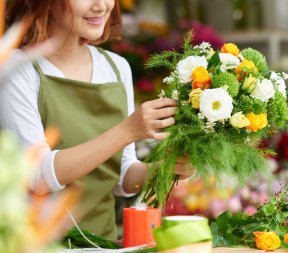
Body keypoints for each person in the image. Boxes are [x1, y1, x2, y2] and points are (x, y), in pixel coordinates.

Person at [0, 0, 195, 240]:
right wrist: (128, 130)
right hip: (40, 244)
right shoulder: (19, 69)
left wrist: (165, 169)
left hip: (104, 242)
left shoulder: (115, 68)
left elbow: (122, 175)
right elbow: (37, 174)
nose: (102, 5)